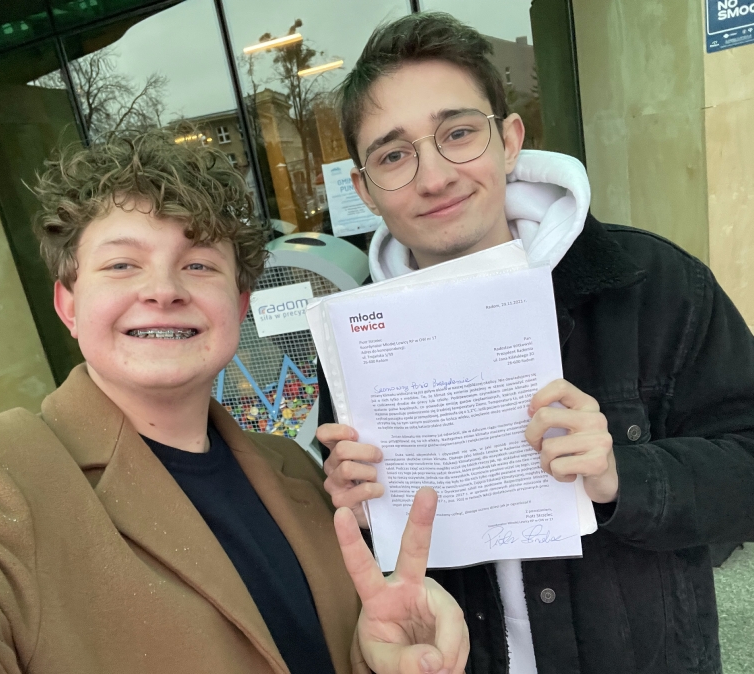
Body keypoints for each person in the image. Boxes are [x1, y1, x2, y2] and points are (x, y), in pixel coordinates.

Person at [0, 130, 468, 674]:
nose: (164, 290)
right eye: (123, 264)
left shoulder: (295, 467)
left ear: (240, 306)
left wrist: (380, 655)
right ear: (69, 305)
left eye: (198, 265)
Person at [317, 12, 754, 674]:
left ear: (509, 140)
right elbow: (364, 565)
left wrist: (620, 476)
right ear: (364, 189)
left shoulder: (652, 286)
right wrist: (355, 510)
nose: (433, 177)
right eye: (393, 155)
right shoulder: (353, 349)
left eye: (457, 133)